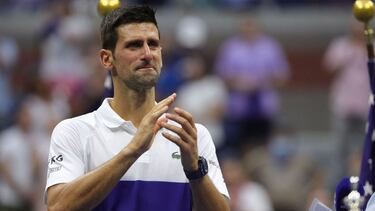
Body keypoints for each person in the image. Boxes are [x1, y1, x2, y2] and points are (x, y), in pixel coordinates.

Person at [45, 5, 230, 211]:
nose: (148, 54)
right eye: (134, 45)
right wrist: (132, 150)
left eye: (153, 44)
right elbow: (57, 207)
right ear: (107, 59)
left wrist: (195, 171)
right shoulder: (74, 132)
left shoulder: (192, 136)